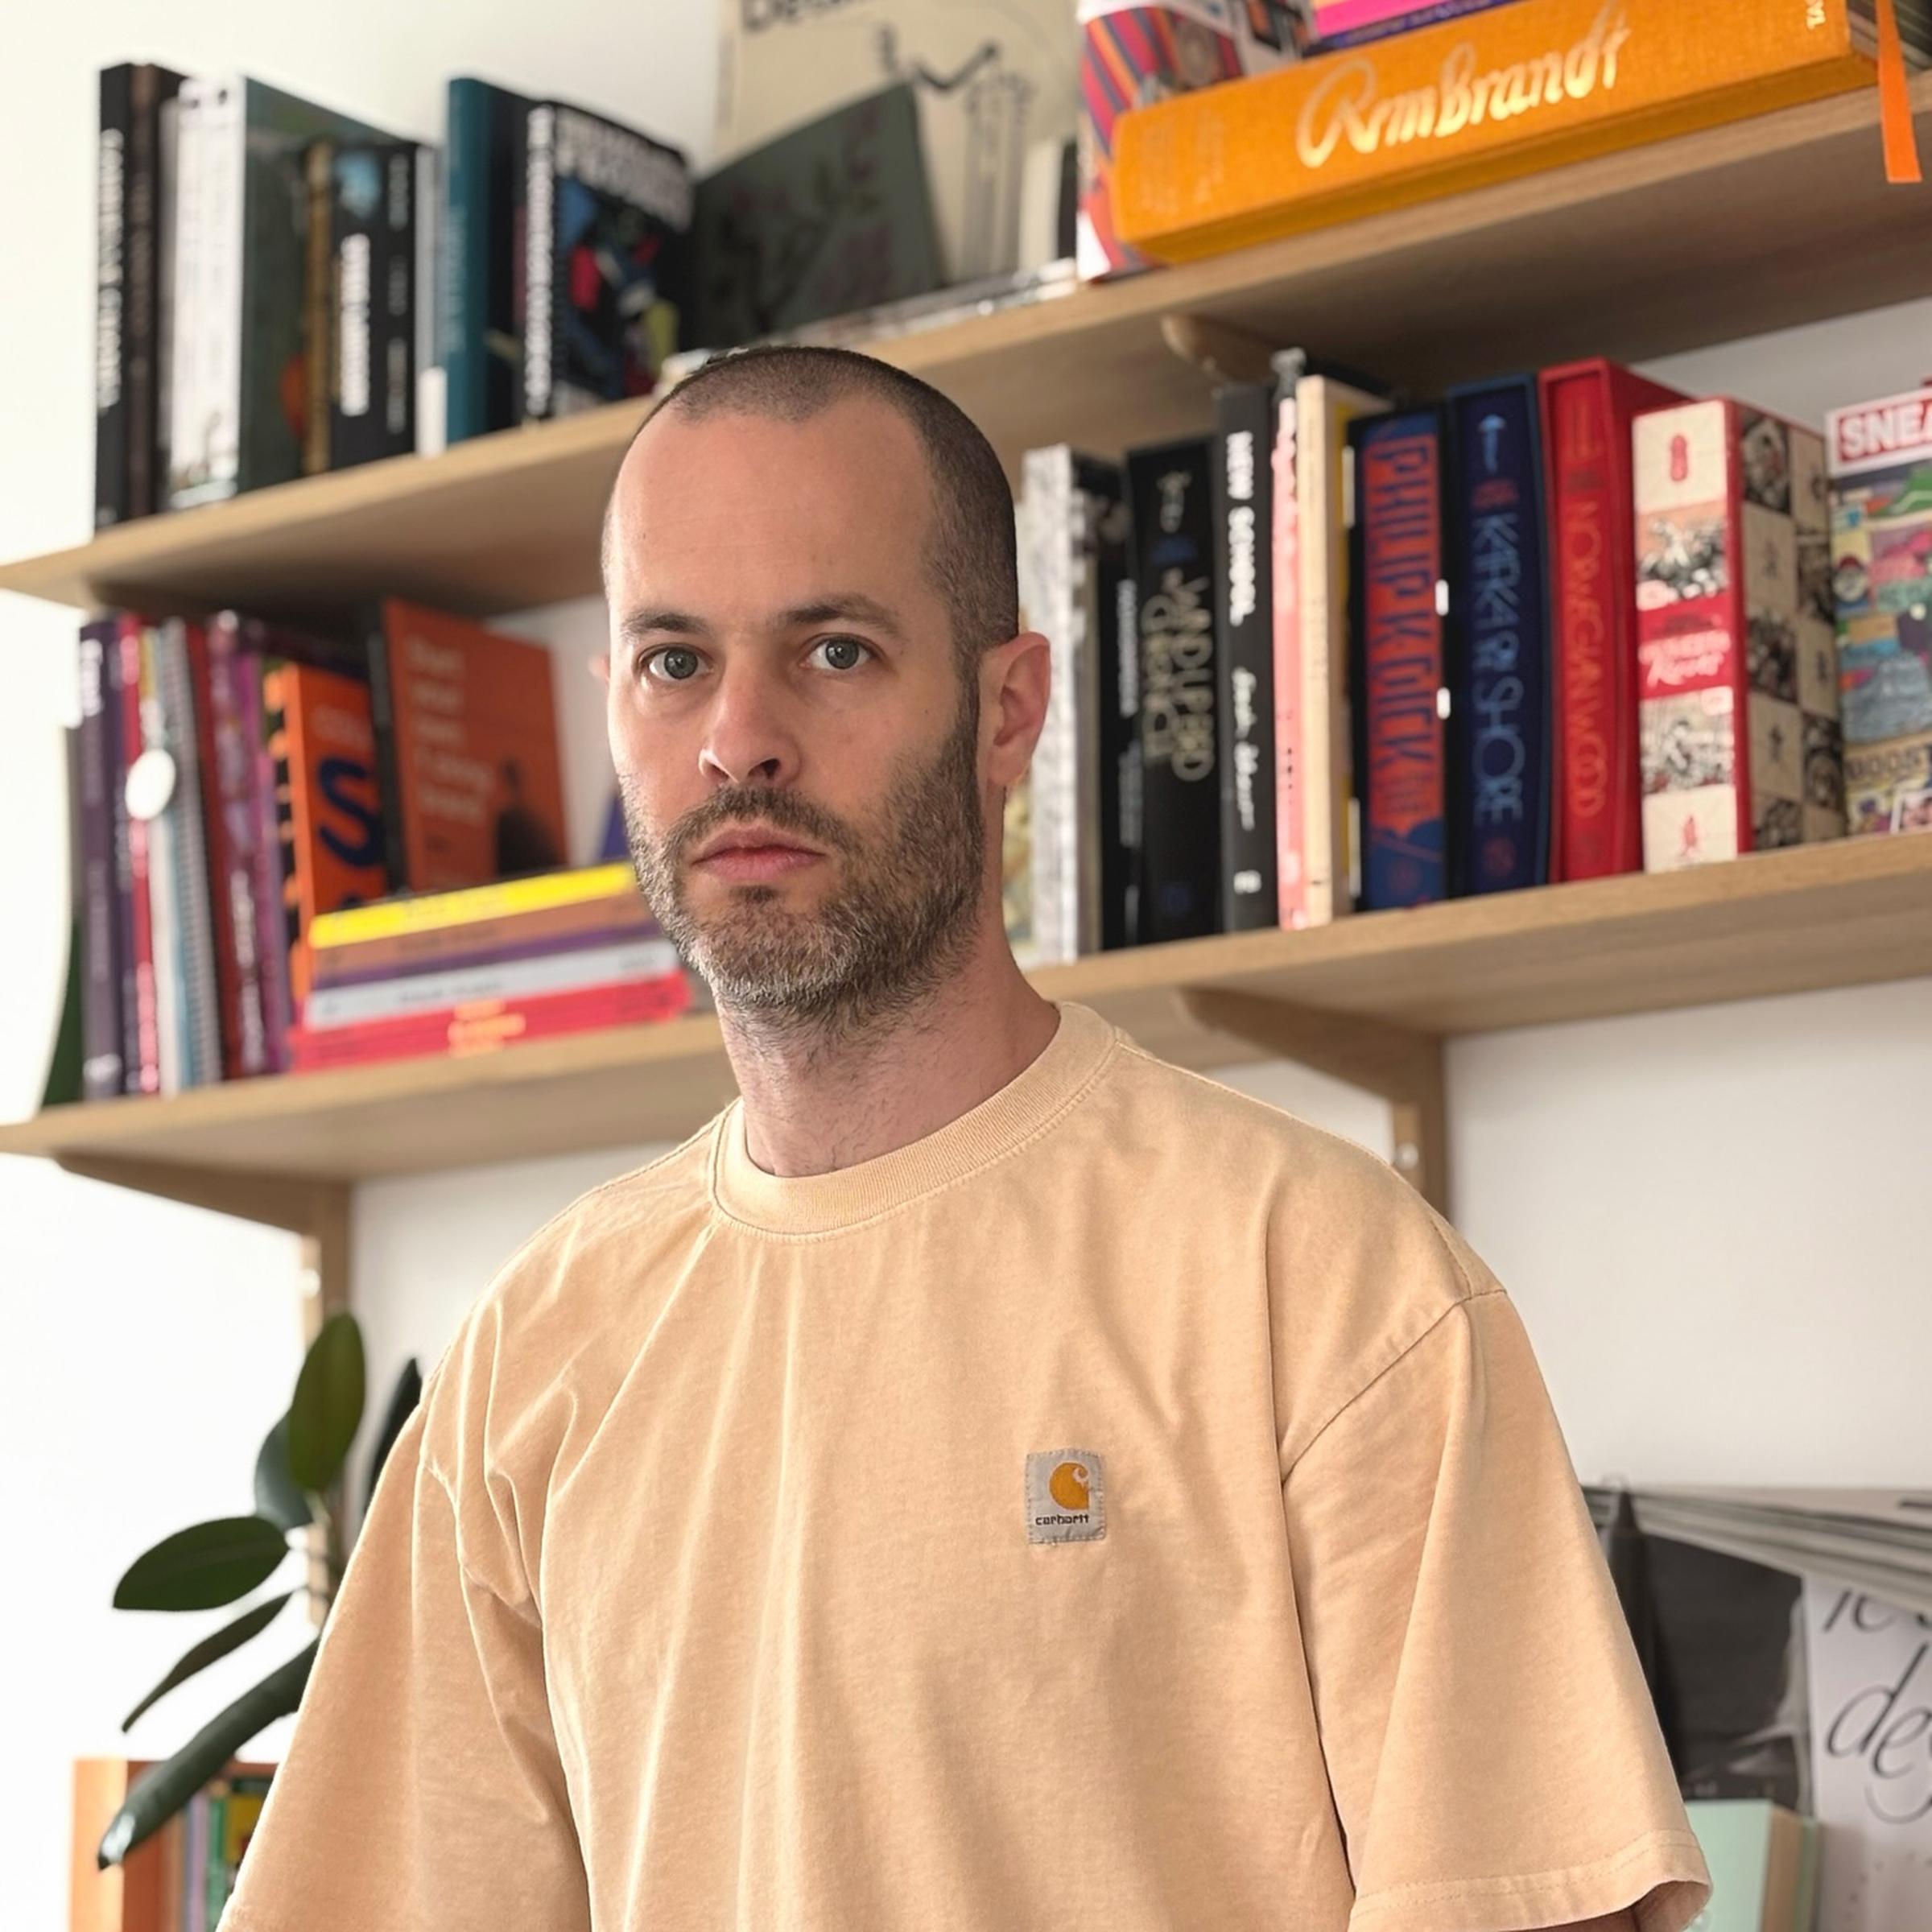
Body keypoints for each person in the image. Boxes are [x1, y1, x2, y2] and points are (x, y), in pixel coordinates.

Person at [220, 345, 1713, 1931]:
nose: (740, 742)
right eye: (674, 662)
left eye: (837, 652)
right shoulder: (529, 1356)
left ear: (1010, 711)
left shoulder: (1330, 1286)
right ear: (614, 707)